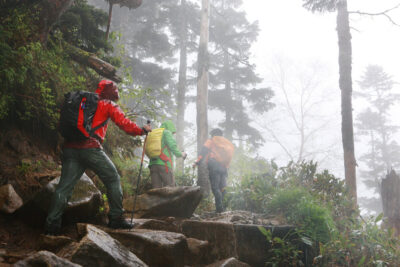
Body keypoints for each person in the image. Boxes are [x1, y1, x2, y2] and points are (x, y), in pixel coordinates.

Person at [44, 80, 152, 235]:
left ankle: (51, 227)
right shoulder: (107, 104)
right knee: (113, 178)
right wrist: (142, 130)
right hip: (90, 148)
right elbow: (124, 123)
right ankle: (116, 218)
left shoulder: (85, 103)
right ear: (111, 92)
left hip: (70, 148)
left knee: (64, 187)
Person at [193, 128, 234, 213]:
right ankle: (224, 207)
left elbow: (203, 151)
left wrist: (197, 162)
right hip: (224, 167)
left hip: (214, 164)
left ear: (213, 135)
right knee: (223, 187)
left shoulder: (212, 140)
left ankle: (219, 209)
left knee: (215, 187)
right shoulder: (226, 143)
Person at [147, 120, 187, 188]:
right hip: (164, 164)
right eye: (173, 132)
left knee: (156, 190)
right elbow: (172, 146)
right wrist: (181, 154)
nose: (173, 134)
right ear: (170, 127)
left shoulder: (154, 133)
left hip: (153, 164)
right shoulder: (166, 132)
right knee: (170, 189)